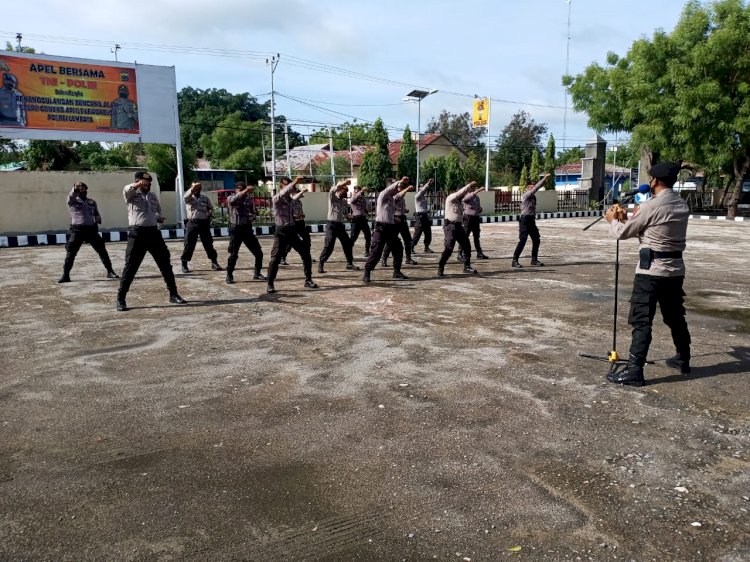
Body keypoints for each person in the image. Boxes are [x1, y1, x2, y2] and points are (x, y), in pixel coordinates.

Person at [604, 162, 692, 387]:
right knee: (674, 316)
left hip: (650, 271)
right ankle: (683, 358)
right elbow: (652, 231)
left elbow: (623, 234)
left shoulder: (651, 206)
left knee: (642, 319)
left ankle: (634, 370)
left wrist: (613, 220)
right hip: (674, 270)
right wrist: (627, 220)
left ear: (654, 181)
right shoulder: (681, 204)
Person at [116, 172, 186, 311]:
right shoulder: (131, 195)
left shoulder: (153, 196)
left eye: (149, 183)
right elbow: (127, 189)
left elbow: (157, 211)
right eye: (144, 182)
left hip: (153, 233)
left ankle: (173, 294)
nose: (147, 185)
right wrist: (136, 185)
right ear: (138, 181)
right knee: (130, 267)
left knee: (165, 264)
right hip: (137, 234)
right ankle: (121, 299)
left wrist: (158, 217)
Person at [58, 182, 119, 283]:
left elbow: (96, 213)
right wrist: (75, 189)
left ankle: (110, 271)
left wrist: (98, 218)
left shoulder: (91, 202)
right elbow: (71, 195)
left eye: (84, 189)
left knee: (102, 250)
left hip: (91, 229)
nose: (83, 191)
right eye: (80, 189)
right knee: (71, 252)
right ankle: (65, 275)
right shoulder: (73, 200)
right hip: (78, 230)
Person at [266, 177, 318, 294]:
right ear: (281, 186)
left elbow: (295, 197)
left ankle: (308, 280)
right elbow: (284, 193)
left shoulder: (290, 200)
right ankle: (270, 282)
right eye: (287, 185)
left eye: (291, 185)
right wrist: (295, 182)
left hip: (291, 231)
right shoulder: (276, 199)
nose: (290, 188)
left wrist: (301, 190)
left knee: (306, 254)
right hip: (280, 232)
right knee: (275, 258)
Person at [362, 177, 413, 283]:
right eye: (396, 186)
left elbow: (399, 195)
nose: (398, 188)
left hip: (391, 228)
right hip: (381, 227)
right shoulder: (383, 195)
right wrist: (401, 181)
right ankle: (367, 272)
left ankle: (396, 272)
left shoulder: (392, 198)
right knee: (376, 252)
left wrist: (406, 188)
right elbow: (390, 190)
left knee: (398, 248)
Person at [225, 181, 266, 284]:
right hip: (236, 228)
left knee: (258, 253)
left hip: (247, 228)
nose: (242, 192)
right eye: (240, 190)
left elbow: (254, 212)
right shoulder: (231, 198)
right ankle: (229, 275)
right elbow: (231, 202)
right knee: (234, 255)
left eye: (243, 189)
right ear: (236, 190)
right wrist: (244, 191)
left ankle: (257, 273)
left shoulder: (248, 200)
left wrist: (250, 217)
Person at [437, 181, 479, 277]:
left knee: (467, 246)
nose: (464, 195)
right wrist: (468, 186)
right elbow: (460, 193)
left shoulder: (460, 202)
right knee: (449, 249)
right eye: (464, 193)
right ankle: (441, 267)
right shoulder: (451, 198)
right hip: (450, 227)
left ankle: (467, 267)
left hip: (459, 227)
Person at [180, 181, 222, 273]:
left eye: (199, 187)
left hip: (204, 223)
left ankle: (214, 263)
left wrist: (210, 212)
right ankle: (184, 264)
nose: (197, 189)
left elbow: (210, 208)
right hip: (192, 223)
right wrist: (192, 188)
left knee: (208, 244)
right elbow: (185, 197)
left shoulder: (205, 198)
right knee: (189, 244)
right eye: (195, 187)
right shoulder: (189, 198)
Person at [512, 174, 551, 268]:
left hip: (531, 220)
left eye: (533, 186)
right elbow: (536, 188)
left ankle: (534, 259)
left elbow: (537, 188)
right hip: (524, 219)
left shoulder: (533, 196)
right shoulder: (526, 194)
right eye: (531, 187)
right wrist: (544, 179)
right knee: (523, 240)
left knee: (536, 239)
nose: (533, 188)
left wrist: (545, 181)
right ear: (528, 188)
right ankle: (514, 260)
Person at [318, 179, 358, 273]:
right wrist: (344, 183)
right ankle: (321, 263)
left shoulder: (343, 201)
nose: (346, 194)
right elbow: (332, 189)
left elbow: (345, 213)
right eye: (345, 191)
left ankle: (349, 264)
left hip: (340, 225)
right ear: (340, 190)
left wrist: (349, 217)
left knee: (347, 244)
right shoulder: (332, 197)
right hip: (331, 225)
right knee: (329, 246)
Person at [278, 178, 312, 266]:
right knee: (290, 242)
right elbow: (291, 209)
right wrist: (302, 192)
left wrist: (301, 215)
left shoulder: (298, 201)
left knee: (307, 239)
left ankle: (307, 256)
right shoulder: (288, 199)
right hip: (294, 223)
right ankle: (282, 257)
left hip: (300, 222)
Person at [382, 181, 417, 266]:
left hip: (402, 220)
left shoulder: (402, 198)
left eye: (402, 187)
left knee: (408, 240)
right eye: (400, 187)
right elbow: (398, 196)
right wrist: (407, 188)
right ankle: (384, 258)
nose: (401, 189)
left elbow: (399, 207)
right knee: (391, 241)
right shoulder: (393, 196)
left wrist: (405, 210)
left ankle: (408, 258)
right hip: (395, 221)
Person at [461, 185, 489, 260]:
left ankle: (479, 253)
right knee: (465, 236)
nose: (473, 189)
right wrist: (479, 190)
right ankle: (461, 253)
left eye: (474, 188)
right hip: (468, 218)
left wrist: (479, 209)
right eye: (472, 188)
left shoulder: (477, 198)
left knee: (476, 237)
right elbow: (466, 199)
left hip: (475, 218)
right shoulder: (466, 196)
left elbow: (477, 207)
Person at [411, 178, 435, 254]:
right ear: (418, 188)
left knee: (428, 232)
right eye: (421, 186)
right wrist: (428, 184)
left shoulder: (423, 197)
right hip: (419, 217)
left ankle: (426, 247)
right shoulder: (417, 196)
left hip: (425, 216)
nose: (422, 187)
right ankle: (411, 247)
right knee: (417, 234)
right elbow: (423, 191)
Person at [349, 185, 372, 258]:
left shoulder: (363, 199)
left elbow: (367, 209)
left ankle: (367, 251)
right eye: (357, 190)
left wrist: (369, 209)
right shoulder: (353, 198)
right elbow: (352, 200)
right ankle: (349, 252)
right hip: (356, 219)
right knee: (353, 237)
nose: (359, 192)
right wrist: (361, 191)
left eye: (359, 190)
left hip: (363, 219)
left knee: (368, 236)